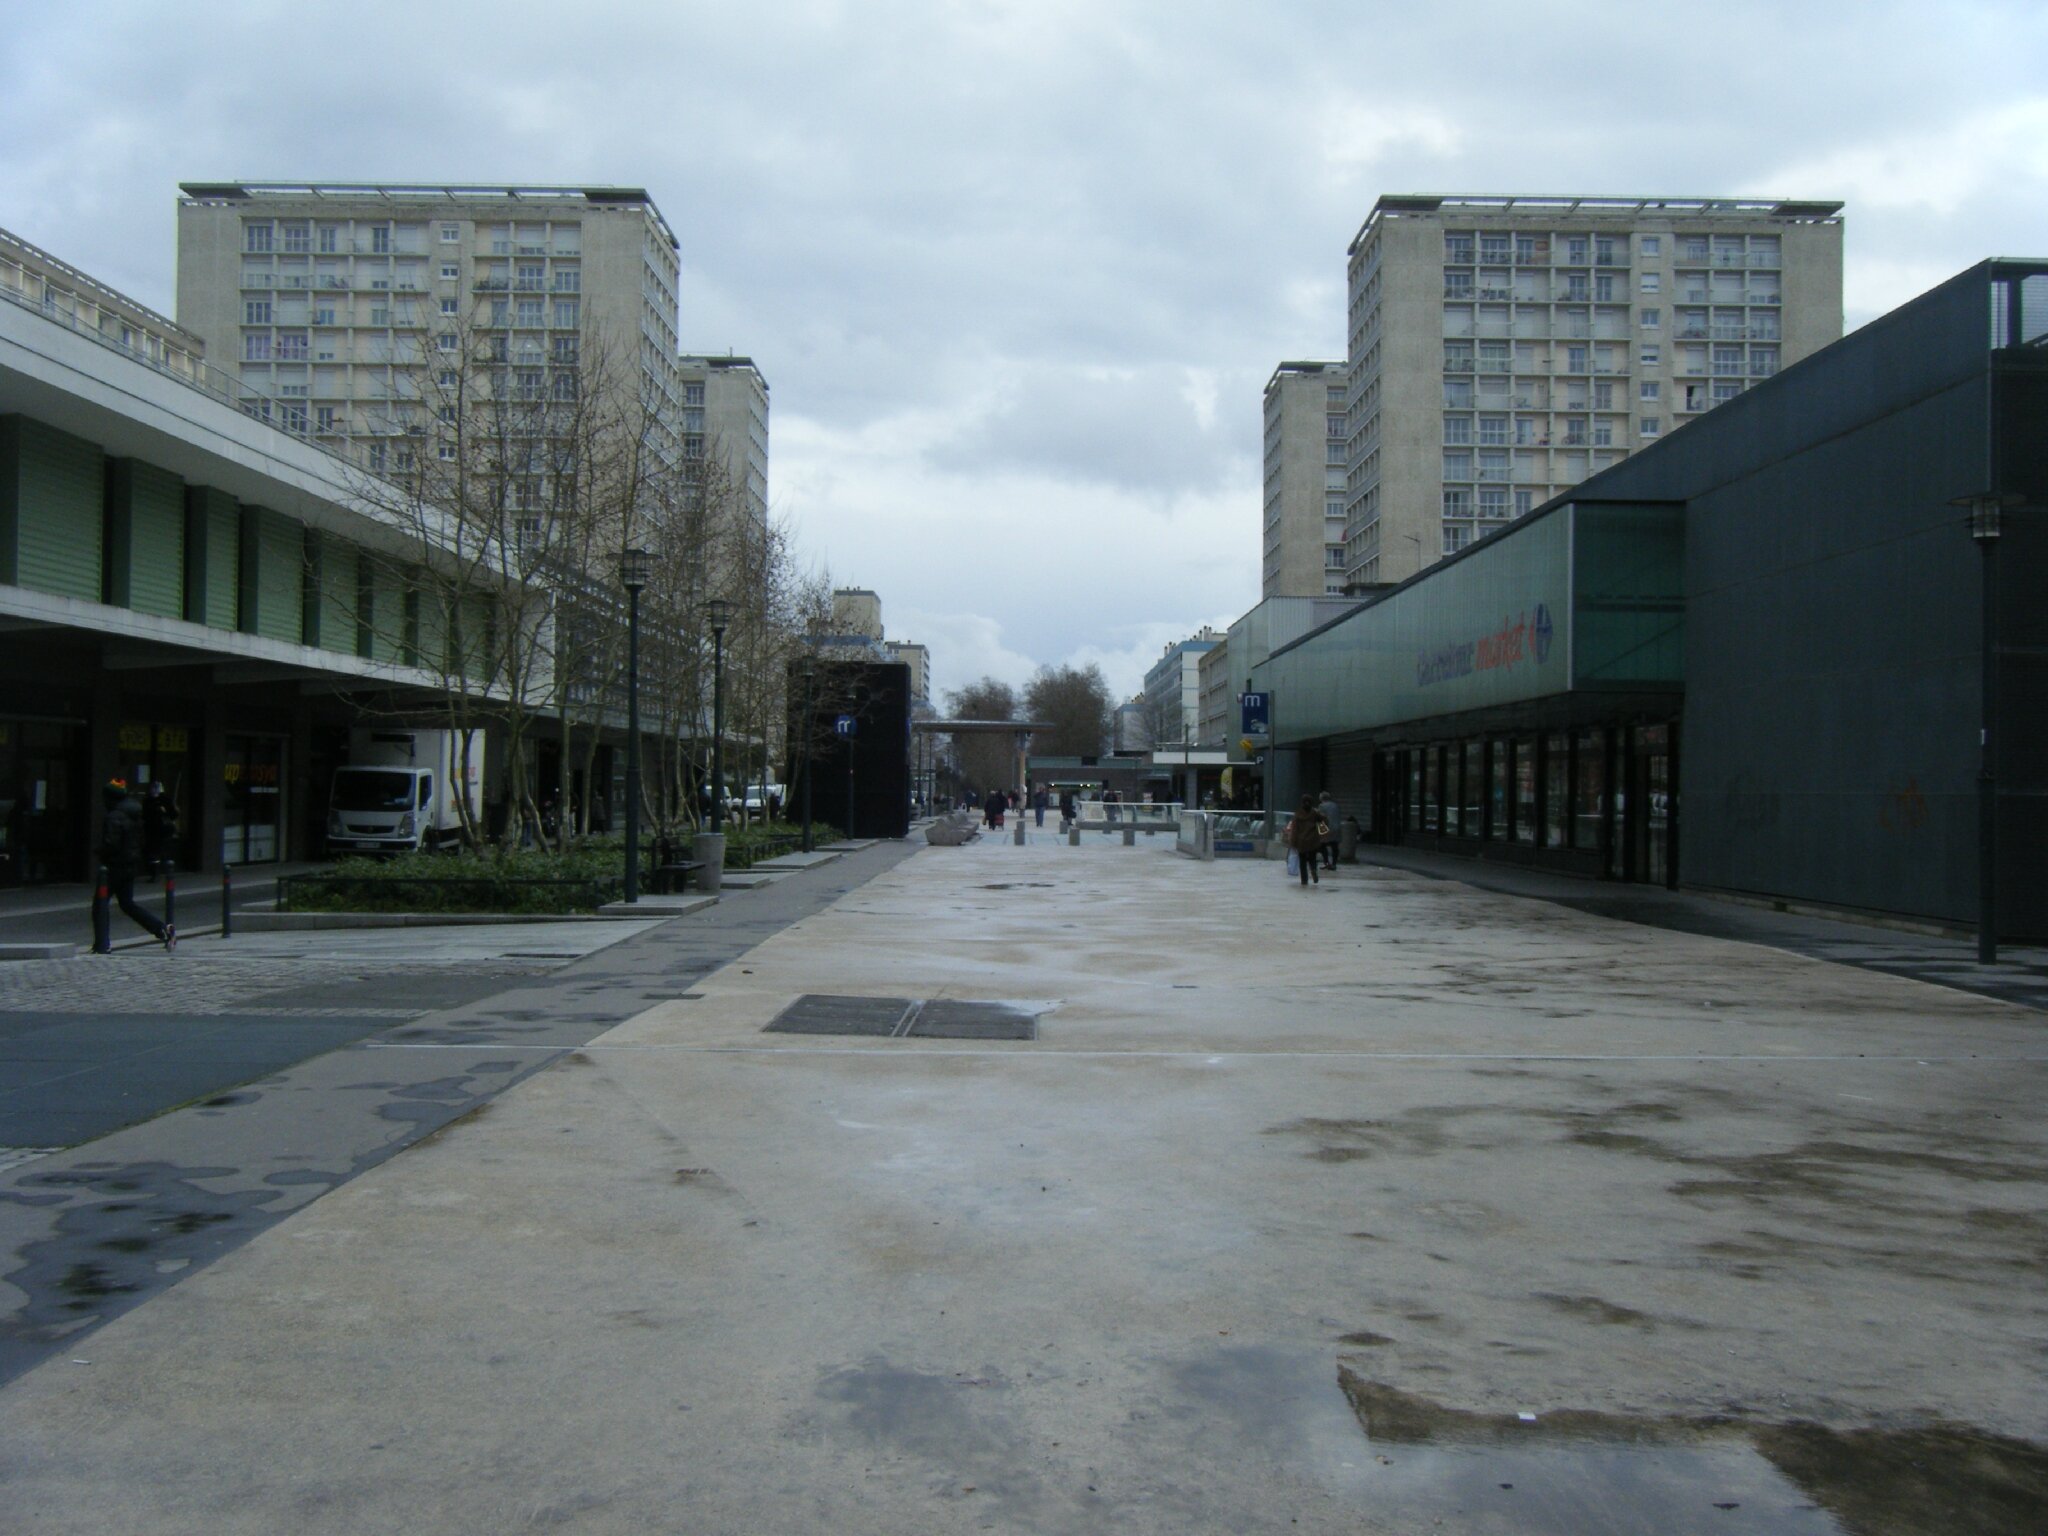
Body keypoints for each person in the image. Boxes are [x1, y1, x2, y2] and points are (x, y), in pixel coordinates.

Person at [98, 779, 174, 949]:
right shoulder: (134, 814)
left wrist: (100, 852)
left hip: (114, 866)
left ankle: (102, 944)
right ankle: (161, 929)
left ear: (110, 798)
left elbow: (111, 844)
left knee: (100, 904)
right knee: (128, 904)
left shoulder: (114, 816)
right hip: (130, 864)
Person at [141, 780, 176, 879]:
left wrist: (164, 812)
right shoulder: (147, 801)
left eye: (155, 788)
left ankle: (158, 872)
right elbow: (145, 815)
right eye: (152, 788)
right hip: (153, 830)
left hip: (162, 830)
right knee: (154, 852)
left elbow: (173, 814)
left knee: (157, 851)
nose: (153, 790)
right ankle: (155, 872)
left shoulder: (164, 800)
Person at [1284, 794, 1322, 887]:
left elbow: (1295, 829)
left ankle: (1304, 880)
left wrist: (1293, 842)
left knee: (1302, 861)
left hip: (1301, 841)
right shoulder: (1315, 813)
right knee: (1312, 858)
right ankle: (1313, 869)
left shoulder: (1298, 814)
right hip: (1313, 840)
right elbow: (1324, 821)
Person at [1317, 788, 1341, 871]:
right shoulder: (1335, 805)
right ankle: (1334, 864)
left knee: (1322, 845)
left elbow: (1320, 818)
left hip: (1327, 828)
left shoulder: (1321, 806)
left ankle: (1326, 863)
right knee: (1334, 846)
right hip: (1337, 828)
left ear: (1321, 798)